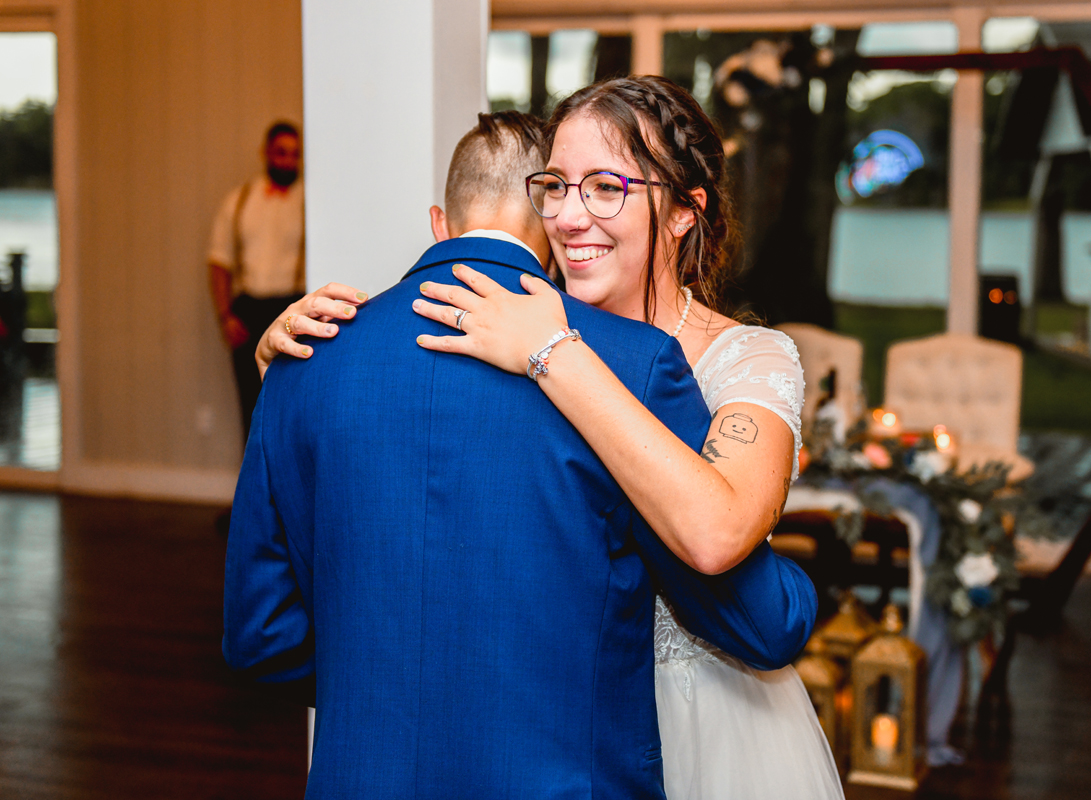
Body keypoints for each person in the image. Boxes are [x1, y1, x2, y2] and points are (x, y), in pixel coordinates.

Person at [259, 81, 844, 799]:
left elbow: (723, 545)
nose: (568, 217)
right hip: (534, 744)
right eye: (556, 186)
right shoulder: (496, 334)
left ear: (686, 212)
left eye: (605, 187)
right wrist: (289, 371)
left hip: (711, 729)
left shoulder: (745, 357)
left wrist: (555, 353)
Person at [208, 120, 307, 441]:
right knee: (251, 407)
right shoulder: (239, 201)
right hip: (248, 311)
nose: (287, 161)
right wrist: (225, 315)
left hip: (291, 308)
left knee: (292, 406)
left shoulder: (310, 202)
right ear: (266, 153)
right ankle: (256, 488)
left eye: (294, 154)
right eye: (281, 153)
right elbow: (219, 261)